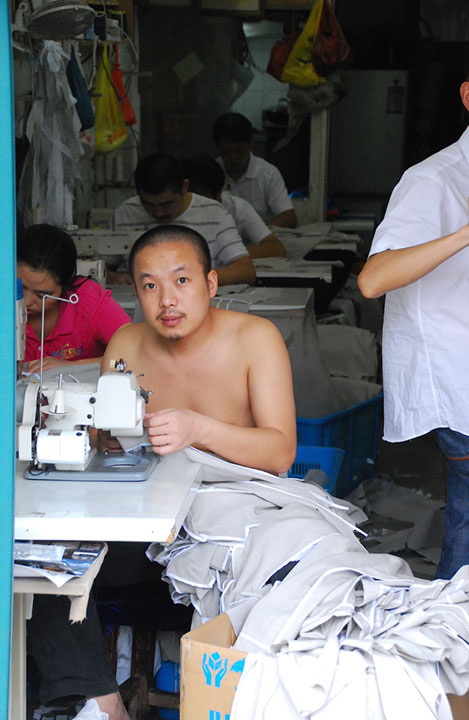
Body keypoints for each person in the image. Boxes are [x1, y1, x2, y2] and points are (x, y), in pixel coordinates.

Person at [28, 224, 297, 720]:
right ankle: (98, 702)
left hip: (231, 523)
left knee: (285, 585)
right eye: (150, 285)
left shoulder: (255, 339)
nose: (166, 299)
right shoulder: (128, 343)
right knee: (47, 563)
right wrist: (104, 439)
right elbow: (109, 437)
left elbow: (280, 452)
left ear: (211, 284)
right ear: (135, 292)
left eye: (181, 281)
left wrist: (197, 429)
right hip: (149, 529)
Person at [357, 41, 469, 581]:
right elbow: (373, 278)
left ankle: (451, 648)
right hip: (458, 380)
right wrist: (468, 233)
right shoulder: (435, 180)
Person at [114, 153, 256, 286]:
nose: (158, 213)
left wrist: (193, 278)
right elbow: (101, 267)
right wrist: (113, 278)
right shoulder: (126, 212)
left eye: (166, 204)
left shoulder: (214, 213)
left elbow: (245, 270)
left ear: (184, 187)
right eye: (147, 204)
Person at [17, 224, 131, 372]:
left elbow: (135, 354)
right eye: (20, 288)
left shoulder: (89, 301)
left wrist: (71, 366)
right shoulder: (5, 298)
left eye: (42, 295)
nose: (26, 301)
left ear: (66, 286)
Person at [182, 154, 286, 259]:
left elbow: (275, 247)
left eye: (199, 196)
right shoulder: (171, 210)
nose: (193, 201)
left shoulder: (238, 207)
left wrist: (233, 255)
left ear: (219, 194)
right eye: (189, 196)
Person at [213, 112, 297, 228]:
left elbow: (288, 217)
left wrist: (256, 232)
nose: (233, 158)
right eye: (226, 151)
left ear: (250, 145)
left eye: (239, 151)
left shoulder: (268, 173)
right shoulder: (210, 172)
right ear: (217, 148)